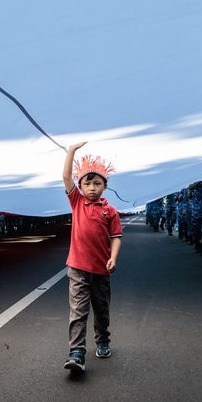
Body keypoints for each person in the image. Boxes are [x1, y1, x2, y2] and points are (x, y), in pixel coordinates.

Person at [62, 142, 123, 372]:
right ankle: (76, 352)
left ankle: (103, 339)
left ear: (105, 186)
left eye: (97, 183)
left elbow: (116, 236)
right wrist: (71, 153)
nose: (91, 187)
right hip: (77, 268)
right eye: (87, 183)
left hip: (101, 270)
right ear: (80, 186)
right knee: (78, 310)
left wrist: (113, 258)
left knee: (101, 308)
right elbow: (66, 176)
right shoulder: (77, 202)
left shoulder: (110, 211)